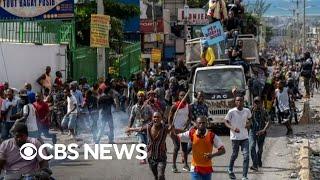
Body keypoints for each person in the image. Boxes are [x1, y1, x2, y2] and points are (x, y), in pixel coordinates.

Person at [126, 112, 173, 180]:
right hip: (151, 157)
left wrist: (173, 129)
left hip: (161, 157)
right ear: (152, 118)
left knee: (161, 175)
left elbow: (174, 131)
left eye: (158, 117)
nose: (156, 119)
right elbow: (140, 129)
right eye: (154, 117)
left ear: (161, 119)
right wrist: (130, 129)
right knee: (155, 176)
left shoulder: (165, 128)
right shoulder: (148, 127)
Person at [224, 95, 251, 180]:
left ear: (243, 102)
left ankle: (244, 176)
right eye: (237, 101)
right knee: (235, 154)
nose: (239, 102)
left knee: (246, 156)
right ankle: (230, 169)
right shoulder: (231, 111)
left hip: (244, 137)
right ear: (235, 102)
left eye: (240, 101)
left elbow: (250, 119)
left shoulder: (247, 111)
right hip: (235, 138)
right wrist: (232, 128)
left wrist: (248, 124)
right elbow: (225, 121)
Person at [168, 91, 192, 173]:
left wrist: (186, 125)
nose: (183, 96)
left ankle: (185, 165)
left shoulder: (188, 106)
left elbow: (190, 117)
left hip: (183, 130)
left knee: (184, 148)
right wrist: (171, 127)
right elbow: (170, 117)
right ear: (179, 97)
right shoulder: (175, 106)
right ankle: (174, 165)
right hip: (175, 130)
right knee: (177, 147)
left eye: (184, 95)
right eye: (181, 95)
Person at [127, 91, 153, 164]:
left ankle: (150, 156)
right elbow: (132, 118)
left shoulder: (148, 107)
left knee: (148, 143)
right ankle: (142, 158)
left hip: (147, 127)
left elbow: (153, 116)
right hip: (138, 127)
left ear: (144, 97)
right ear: (137, 97)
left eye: (142, 96)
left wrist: (152, 124)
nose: (140, 97)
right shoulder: (134, 107)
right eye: (139, 96)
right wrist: (129, 128)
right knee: (140, 143)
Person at [249, 97, 270, 171]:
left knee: (260, 149)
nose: (257, 104)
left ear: (261, 103)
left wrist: (264, 130)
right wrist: (252, 113)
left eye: (258, 102)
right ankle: (255, 164)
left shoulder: (264, 111)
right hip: (252, 131)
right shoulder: (250, 110)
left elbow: (268, 121)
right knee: (252, 147)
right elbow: (247, 119)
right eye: (255, 102)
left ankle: (258, 160)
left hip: (261, 132)